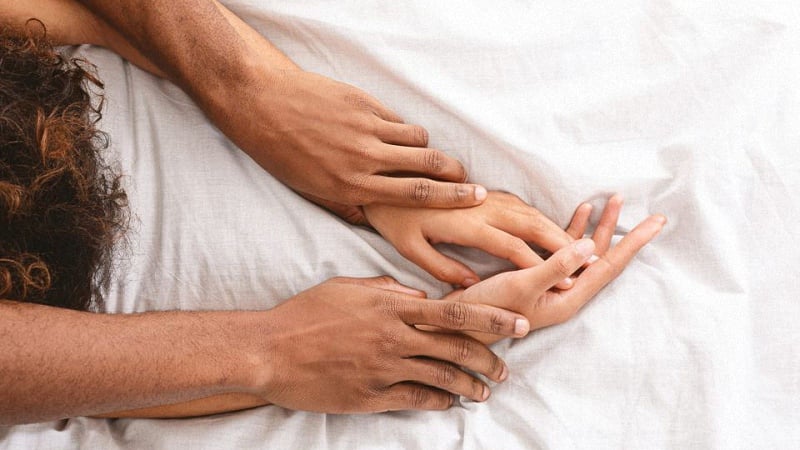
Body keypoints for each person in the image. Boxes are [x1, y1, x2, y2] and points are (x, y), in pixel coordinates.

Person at [0, 0, 665, 423]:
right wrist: (283, 354)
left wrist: (261, 99)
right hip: (154, 311)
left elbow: (76, 14)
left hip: (186, 91)